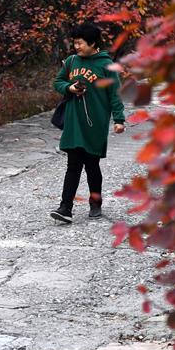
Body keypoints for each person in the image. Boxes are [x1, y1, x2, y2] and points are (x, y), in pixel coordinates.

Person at [50, 23, 125, 223]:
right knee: (73, 164)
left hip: (96, 123)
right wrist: (70, 88)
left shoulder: (106, 65)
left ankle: (95, 202)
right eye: (75, 42)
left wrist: (119, 119)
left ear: (93, 43)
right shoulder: (72, 61)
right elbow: (57, 82)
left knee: (92, 165)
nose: (77, 47)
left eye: (80, 43)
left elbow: (115, 94)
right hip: (74, 122)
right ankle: (65, 207)